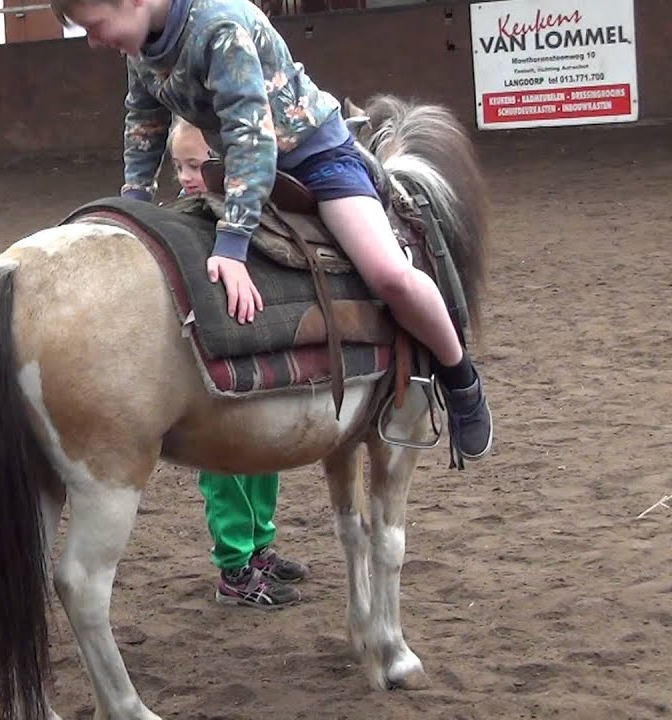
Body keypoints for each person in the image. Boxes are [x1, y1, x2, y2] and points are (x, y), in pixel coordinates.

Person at [54, 0, 493, 467]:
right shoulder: (140, 45)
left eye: (94, 26)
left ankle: (459, 376)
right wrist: (134, 205)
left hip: (316, 161)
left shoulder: (219, 29)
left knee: (389, 274)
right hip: (238, 168)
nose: (93, 41)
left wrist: (233, 243)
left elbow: (252, 137)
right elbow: (143, 123)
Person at [170, 118, 305, 609]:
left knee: (263, 455)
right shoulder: (184, 225)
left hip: (249, 357)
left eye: (196, 164)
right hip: (210, 371)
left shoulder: (245, 219)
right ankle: (234, 568)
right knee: (223, 467)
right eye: (179, 165)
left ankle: (259, 547)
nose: (186, 176)